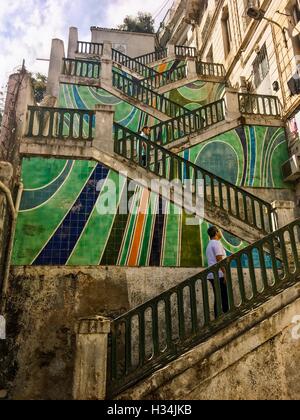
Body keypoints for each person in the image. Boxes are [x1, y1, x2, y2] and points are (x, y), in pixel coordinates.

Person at [206, 226, 229, 318]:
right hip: (218, 275)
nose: (220, 233)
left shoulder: (210, 244)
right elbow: (219, 259)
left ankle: (218, 317)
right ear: (216, 232)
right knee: (223, 297)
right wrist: (225, 273)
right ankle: (225, 316)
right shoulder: (216, 243)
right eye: (219, 231)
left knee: (218, 297)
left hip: (213, 275)